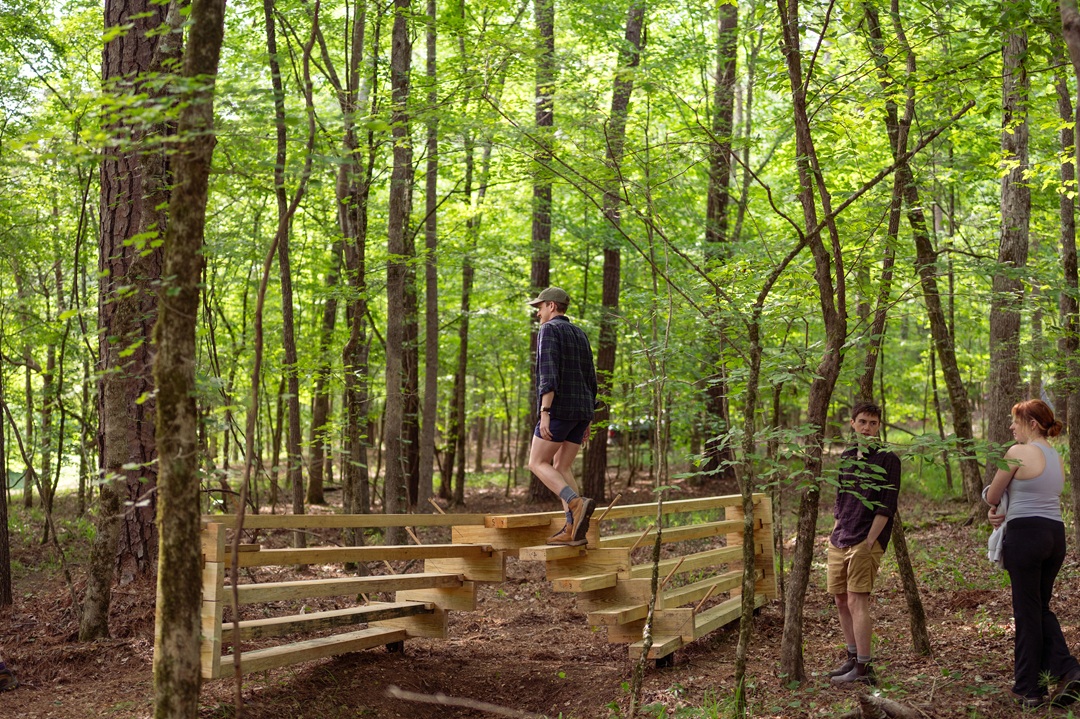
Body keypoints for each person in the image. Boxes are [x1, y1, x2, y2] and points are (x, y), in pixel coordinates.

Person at [986, 399, 1080, 708]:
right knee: (1038, 609)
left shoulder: (1017, 453)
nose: (1011, 427)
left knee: (1027, 612)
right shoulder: (1056, 456)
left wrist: (990, 501)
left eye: (1016, 421)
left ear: (1033, 424)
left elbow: (994, 494)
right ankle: (1056, 676)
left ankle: (1031, 688)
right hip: (1055, 535)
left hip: (1026, 536)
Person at [826, 402, 901, 686]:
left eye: (873, 422)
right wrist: (834, 532)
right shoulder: (846, 457)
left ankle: (864, 669)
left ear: (879, 426)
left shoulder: (888, 459)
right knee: (840, 599)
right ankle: (852, 656)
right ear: (853, 424)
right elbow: (840, 499)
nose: (867, 427)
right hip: (840, 537)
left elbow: (886, 506)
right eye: (862, 422)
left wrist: (869, 541)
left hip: (865, 540)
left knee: (858, 600)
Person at [525, 287, 598, 546]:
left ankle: (575, 503)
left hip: (560, 408)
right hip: (581, 410)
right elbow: (591, 377)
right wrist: (588, 418)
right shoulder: (580, 334)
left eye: (541, 306)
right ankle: (573, 529)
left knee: (536, 463)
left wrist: (545, 412)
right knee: (562, 467)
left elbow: (548, 374)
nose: (538, 312)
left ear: (552, 307)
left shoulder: (549, 330)